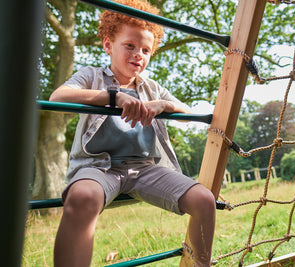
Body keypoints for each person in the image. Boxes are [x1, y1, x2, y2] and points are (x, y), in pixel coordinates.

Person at [49, 0, 216, 266]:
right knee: (82, 196)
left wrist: (165, 105)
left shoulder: (151, 88)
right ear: (108, 45)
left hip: (145, 169)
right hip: (100, 167)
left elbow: (185, 112)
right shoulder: (92, 76)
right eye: (130, 46)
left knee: (204, 199)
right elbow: (58, 97)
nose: (138, 54)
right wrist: (112, 98)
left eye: (146, 50)